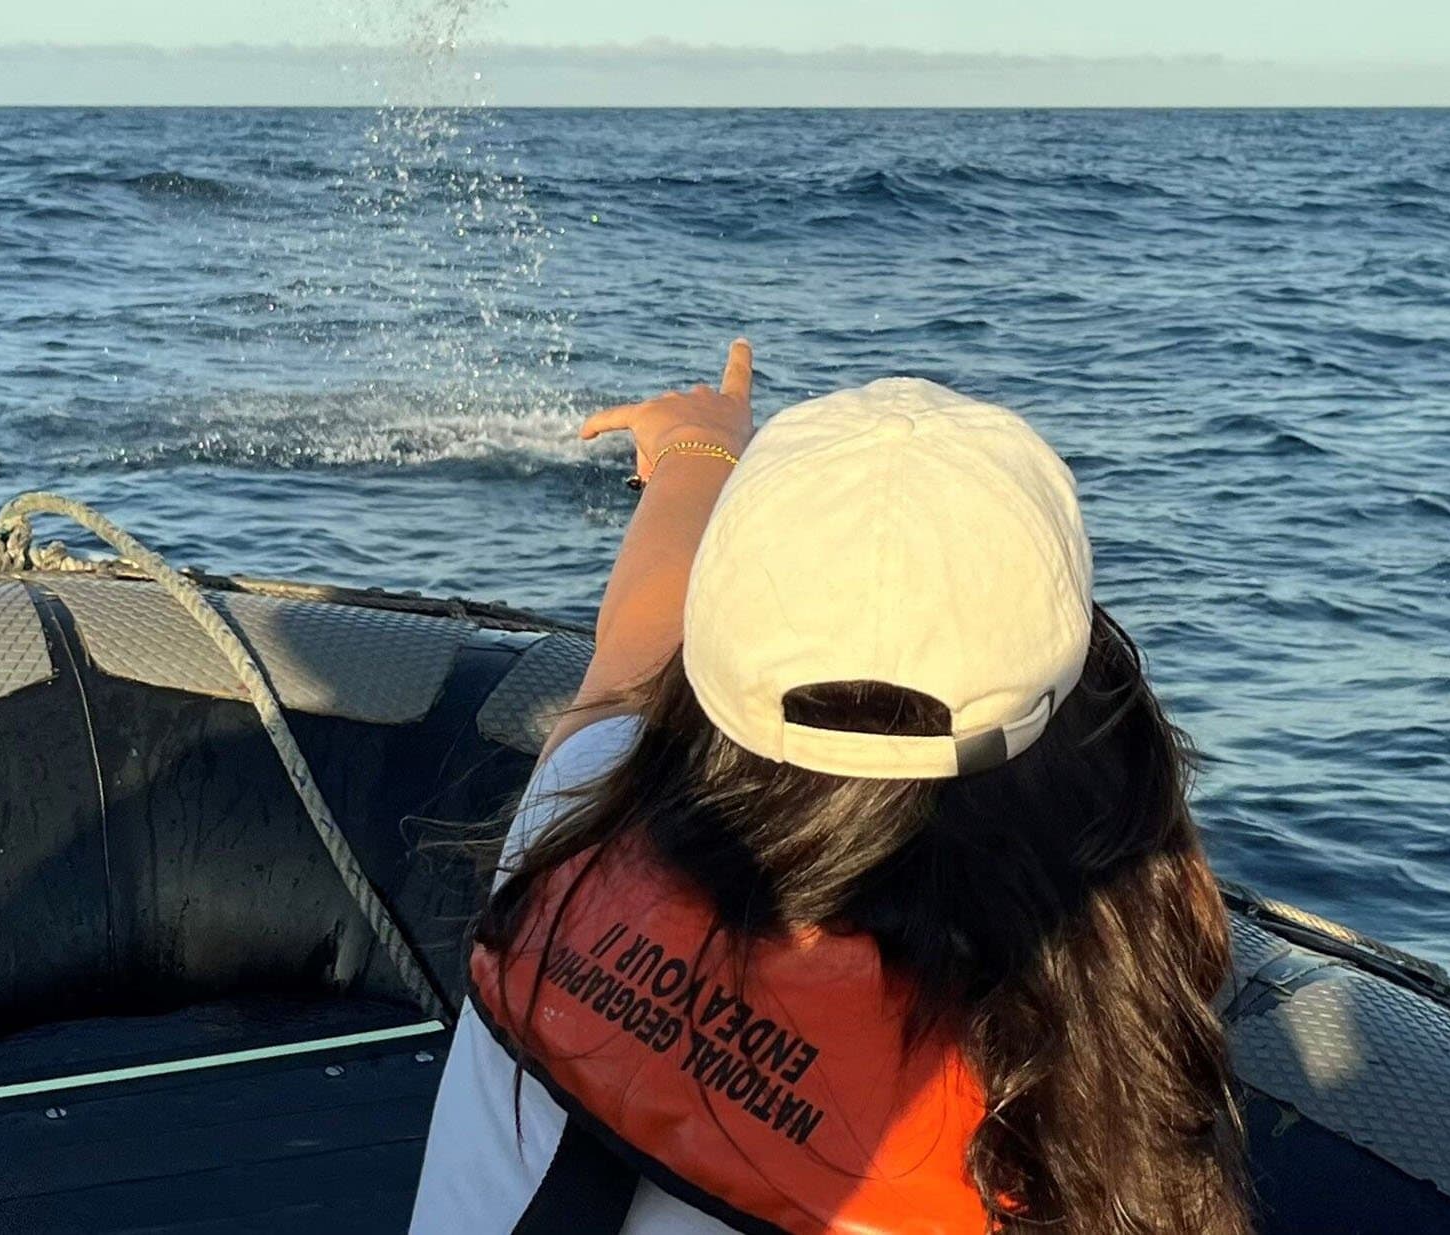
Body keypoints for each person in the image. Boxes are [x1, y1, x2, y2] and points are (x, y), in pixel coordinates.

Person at [409, 340, 1248, 1235]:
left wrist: (700, 446)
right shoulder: (1033, 1125)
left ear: (716, 654)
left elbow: (632, 641)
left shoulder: (579, 799)